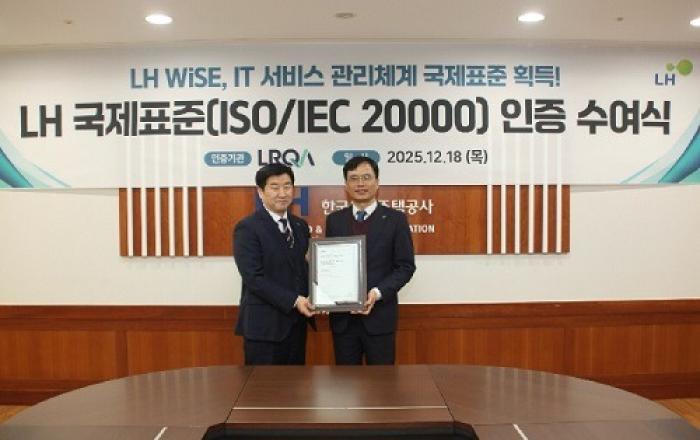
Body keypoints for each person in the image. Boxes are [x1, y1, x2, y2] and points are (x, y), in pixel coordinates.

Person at [325, 156, 416, 365]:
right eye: (354, 178)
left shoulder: (396, 220)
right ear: (346, 185)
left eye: (366, 177)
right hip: (343, 321)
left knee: (381, 383)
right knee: (345, 383)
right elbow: (331, 265)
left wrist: (377, 293)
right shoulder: (334, 220)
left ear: (377, 182)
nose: (360, 184)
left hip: (380, 319)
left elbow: (405, 267)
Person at [233, 163, 315, 365]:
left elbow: (302, 270)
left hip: (297, 325)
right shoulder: (247, 228)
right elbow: (254, 278)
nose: (282, 193)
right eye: (275, 187)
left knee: (297, 384)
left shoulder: (300, 226)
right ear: (261, 192)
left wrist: (320, 297)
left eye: (287, 186)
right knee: (264, 385)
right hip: (264, 329)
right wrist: (295, 300)